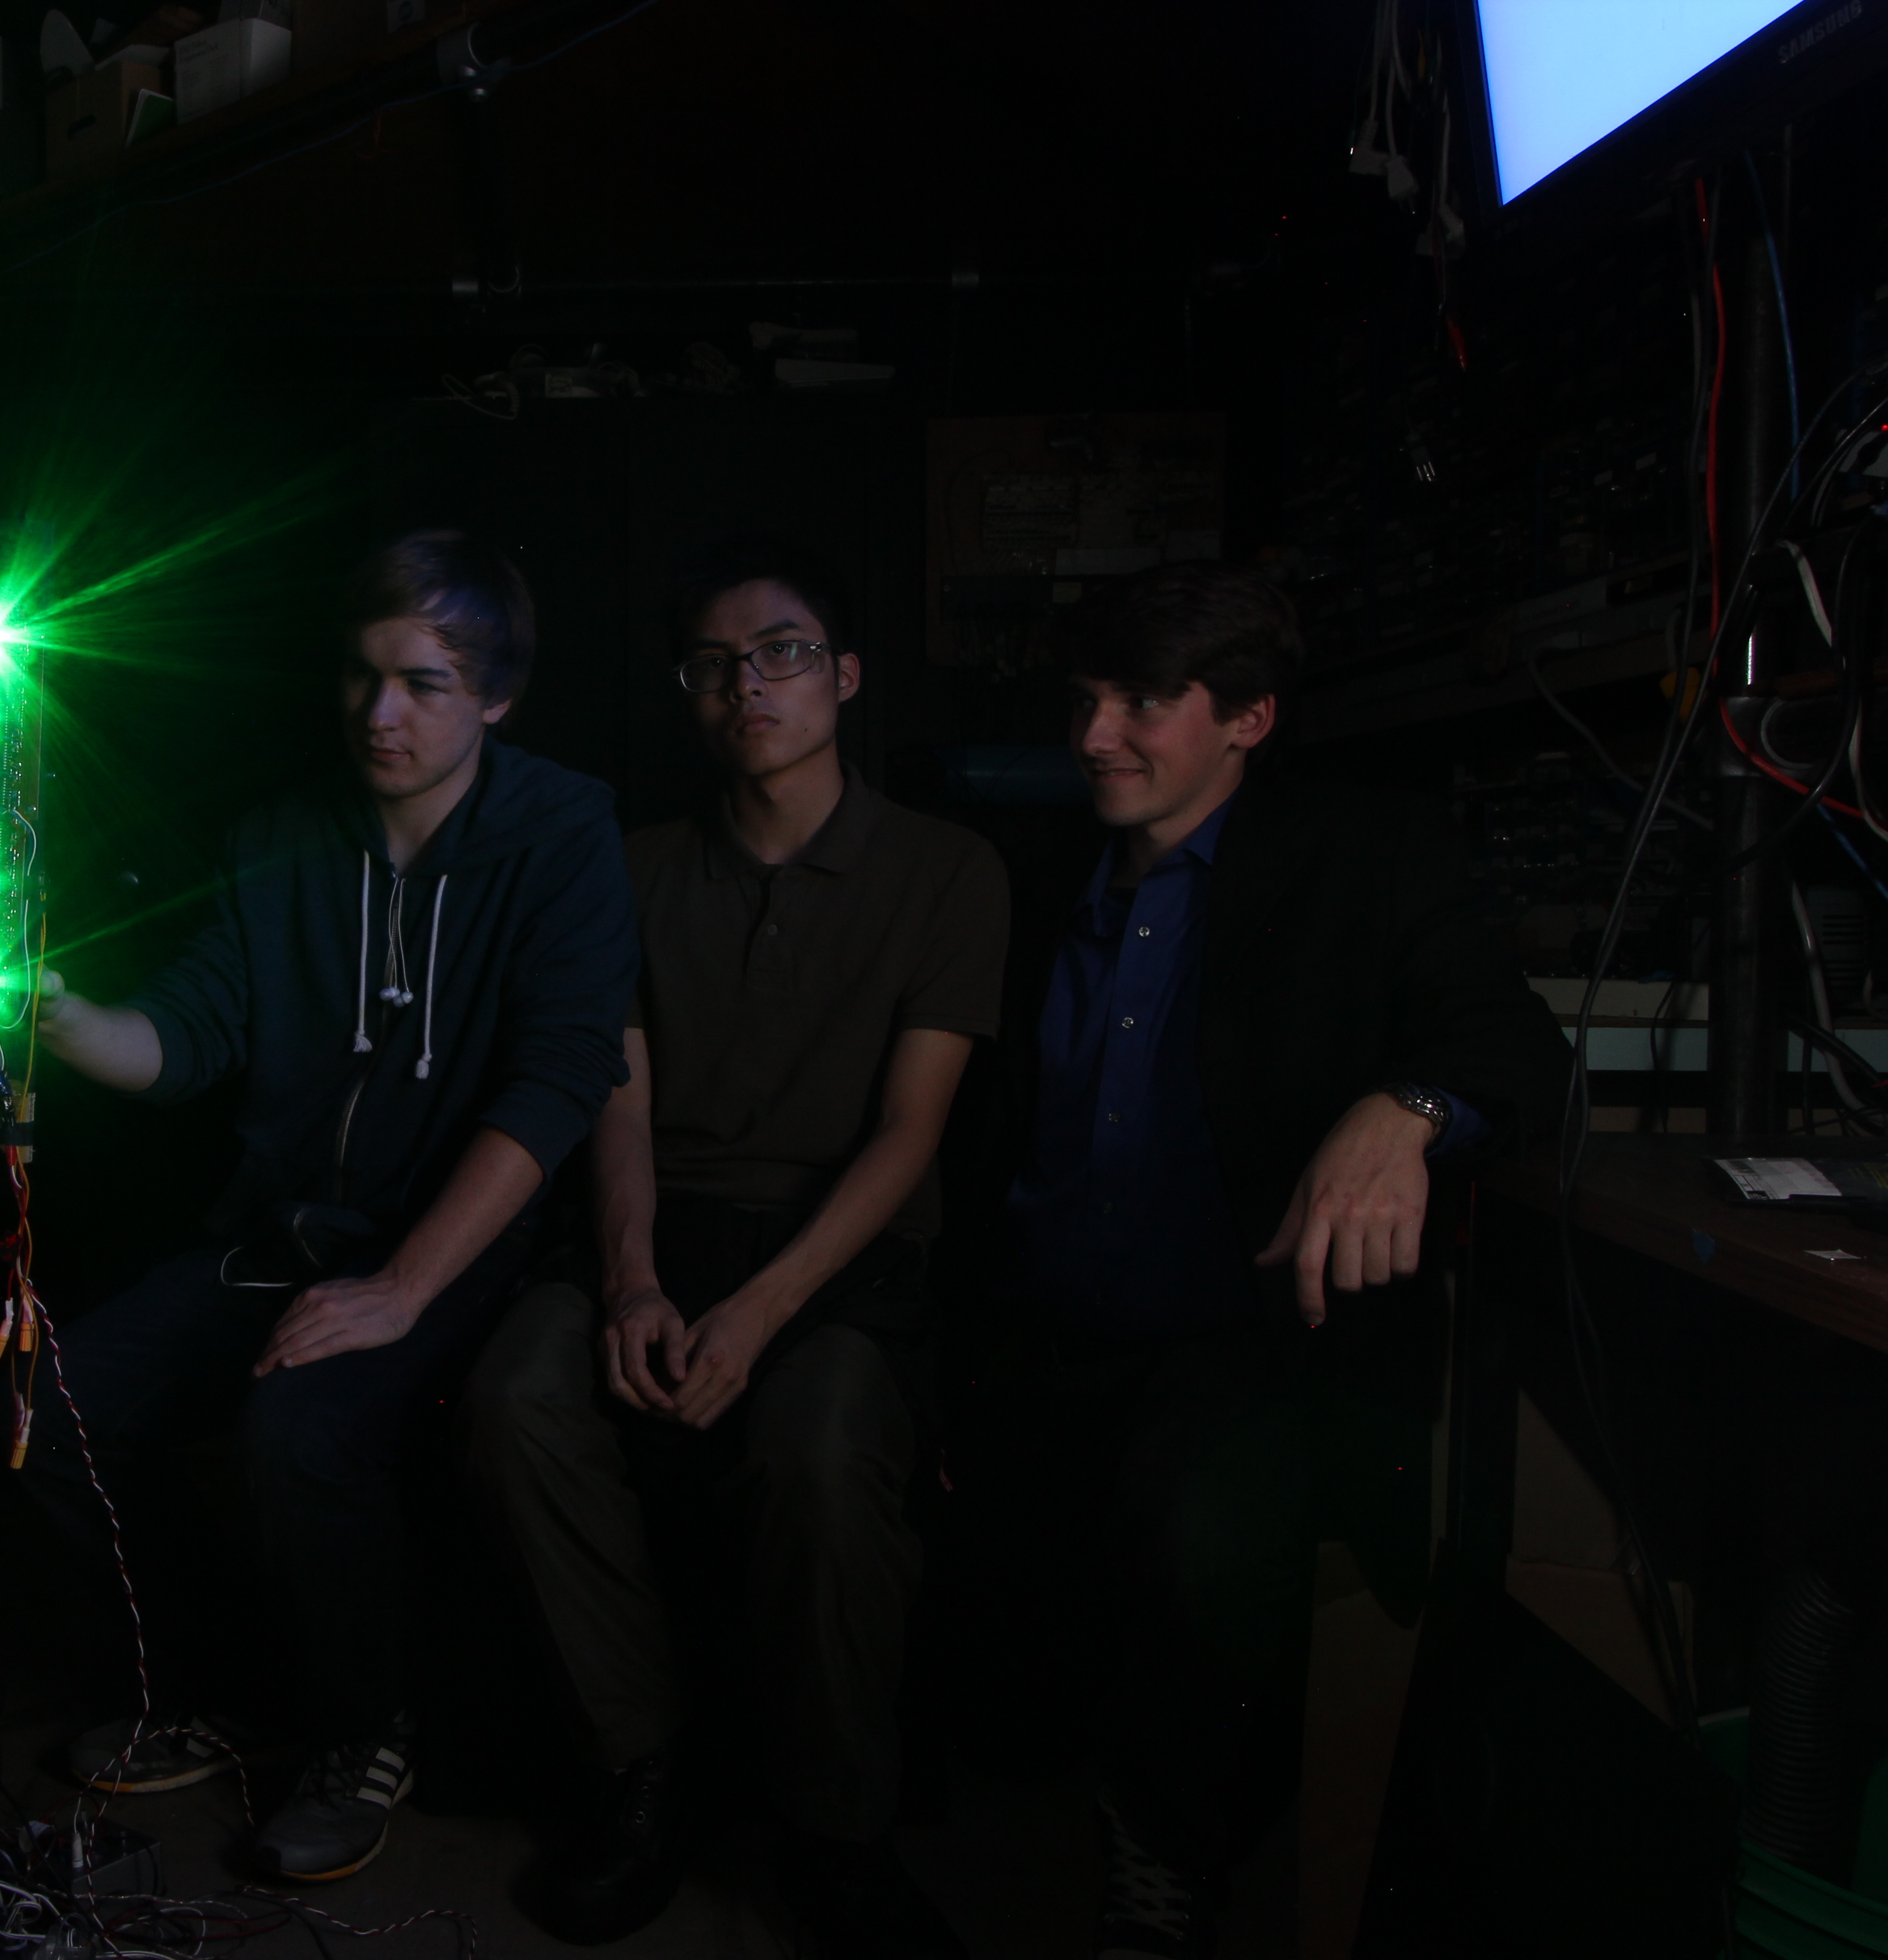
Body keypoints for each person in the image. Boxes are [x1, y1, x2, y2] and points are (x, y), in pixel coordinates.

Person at [952, 562, 1570, 1959]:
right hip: (1035, 1332)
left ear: (1249, 718)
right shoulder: (1029, 870)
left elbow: (1518, 1047)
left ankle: (1162, 1865)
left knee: (1198, 1524)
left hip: (1239, 1341)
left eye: (1141, 703)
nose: (1095, 736)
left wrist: (1403, 1108)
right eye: (1084, 700)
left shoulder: (1364, 858)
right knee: (999, 1673)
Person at [21, 531, 639, 1882]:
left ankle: (365, 1731)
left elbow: (558, 1082)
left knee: (302, 1427)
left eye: (423, 683)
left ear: (497, 697)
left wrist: (405, 1287)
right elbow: (184, 1037)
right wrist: (56, 1016)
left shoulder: (562, 832)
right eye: (363, 676)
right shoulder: (283, 836)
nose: (380, 713)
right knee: (54, 1405)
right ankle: (210, 1688)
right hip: (283, 1230)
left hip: (465, 1249)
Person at [461, 535, 1009, 1955]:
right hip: (659, 1224)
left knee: (820, 1441)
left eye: (780, 656)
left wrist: (761, 1313)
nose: (745, 687)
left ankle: (837, 1830)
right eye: (713, 666)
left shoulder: (948, 870)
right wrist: (633, 1278)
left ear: (845, 677)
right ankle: (645, 1770)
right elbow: (619, 1096)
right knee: (519, 1391)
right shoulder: (633, 866)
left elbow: (911, 1133)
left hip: (840, 1251)